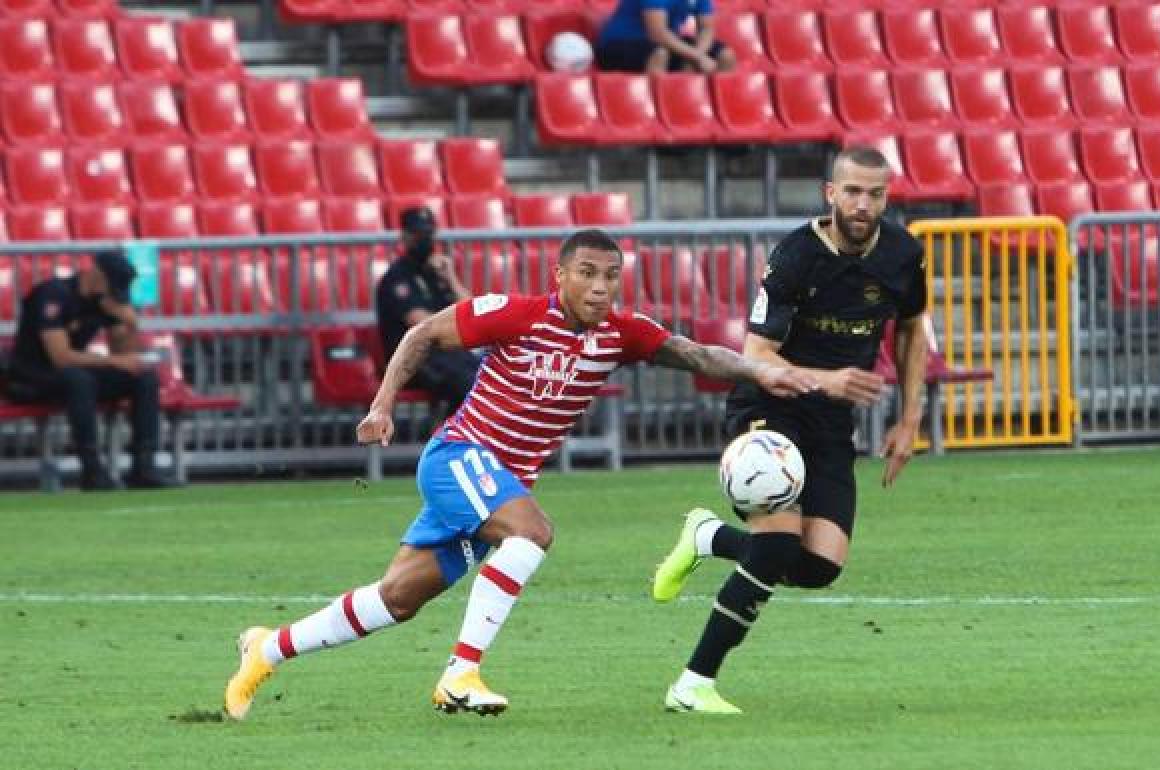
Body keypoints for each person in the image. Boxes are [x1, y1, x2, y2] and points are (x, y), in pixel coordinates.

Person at [224, 228, 819, 720]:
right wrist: (382, 406)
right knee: (532, 533)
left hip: (498, 483)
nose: (600, 286)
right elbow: (422, 333)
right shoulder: (515, 314)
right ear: (559, 276)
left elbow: (696, 353)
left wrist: (762, 371)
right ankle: (460, 675)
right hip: (459, 457)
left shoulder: (621, 334)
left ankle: (267, 648)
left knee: (397, 599)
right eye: (587, 272)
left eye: (611, 275)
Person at [652, 146, 931, 714]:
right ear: (831, 194)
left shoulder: (903, 254)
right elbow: (756, 355)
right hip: (770, 405)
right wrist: (828, 380)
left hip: (830, 421)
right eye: (852, 191)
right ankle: (693, 684)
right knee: (777, 542)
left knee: (819, 565)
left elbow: (909, 328)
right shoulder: (795, 256)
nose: (863, 204)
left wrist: (909, 420)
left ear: (887, 197)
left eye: (875, 194)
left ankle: (708, 538)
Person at [6, 251, 178, 490]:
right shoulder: (53, 294)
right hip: (28, 378)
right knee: (79, 379)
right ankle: (92, 469)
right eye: (112, 286)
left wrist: (130, 324)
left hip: (71, 376)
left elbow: (124, 354)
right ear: (97, 274)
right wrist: (116, 361)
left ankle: (144, 467)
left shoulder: (107, 301)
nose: (113, 293)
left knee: (143, 378)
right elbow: (61, 357)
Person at [375, 206, 478, 416]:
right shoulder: (397, 277)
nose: (424, 239)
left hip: (448, 353)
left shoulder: (436, 273)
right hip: (412, 360)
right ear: (405, 237)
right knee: (468, 384)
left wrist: (451, 279)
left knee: (490, 377)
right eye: (418, 234)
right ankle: (451, 433)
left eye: (428, 233)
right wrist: (458, 323)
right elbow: (420, 322)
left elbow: (473, 312)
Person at [595, 0, 736, 74]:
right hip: (616, 45)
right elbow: (657, 33)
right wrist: (698, 57)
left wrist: (698, 53)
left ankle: (703, 108)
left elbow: (706, 28)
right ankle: (656, 112)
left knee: (725, 55)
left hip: (663, 42)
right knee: (660, 54)